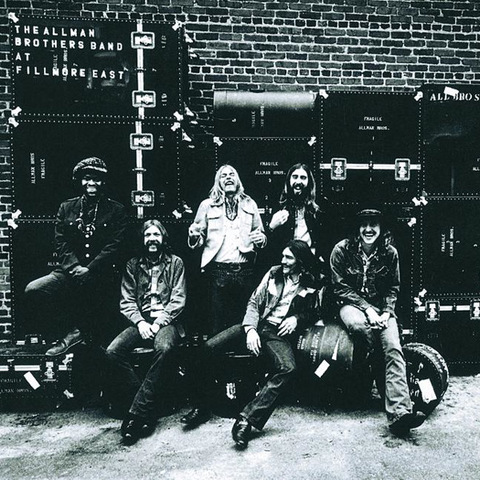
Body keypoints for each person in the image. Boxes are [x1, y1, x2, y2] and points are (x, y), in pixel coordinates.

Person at [181, 239, 325, 448]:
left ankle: (246, 420)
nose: (283, 261)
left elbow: (316, 310)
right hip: (256, 324)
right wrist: (250, 330)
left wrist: (297, 319)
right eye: (283, 256)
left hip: (276, 333)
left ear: (300, 261)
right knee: (208, 348)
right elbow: (254, 302)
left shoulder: (312, 281)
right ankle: (201, 406)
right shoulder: (274, 273)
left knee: (288, 368)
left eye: (288, 258)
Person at [330, 208, 426, 436]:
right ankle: (389, 393)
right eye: (364, 224)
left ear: (381, 228)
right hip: (351, 305)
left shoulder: (390, 253)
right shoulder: (341, 250)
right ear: (357, 228)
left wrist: (387, 312)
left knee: (393, 346)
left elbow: (393, 287)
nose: (368, 229)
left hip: (381, 309)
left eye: (373, 224)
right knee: (359, 326)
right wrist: (367, 309)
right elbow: (340, 287)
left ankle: (400, 414)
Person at [24, 157, 127, 356]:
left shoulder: (116, 210)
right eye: (87, 178)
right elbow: (61, 241)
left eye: (96, 179)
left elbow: (115, 245)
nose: (91, 183)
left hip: (101, 274)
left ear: (103, 182)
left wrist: (90, 269)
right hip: (70, 271)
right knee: (34, 289)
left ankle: (85, 335)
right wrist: (74, 268)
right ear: (80, 181)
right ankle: (68, 333)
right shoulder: (66, 207)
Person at [105, 219, 186, 446]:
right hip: (140, 321)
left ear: (163, 238)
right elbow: (127, 300)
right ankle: (147, 409)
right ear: (142, 240)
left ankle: (135, 415)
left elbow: (178, 300)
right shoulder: (132, 264)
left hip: (167, 322)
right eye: (148, 235)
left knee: (164, 348)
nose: (152, 239)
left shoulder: (176, 263)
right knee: (112, 351)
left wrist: (158, 323)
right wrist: (140, 322)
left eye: (156, 235)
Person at [188, 164, 266, 335]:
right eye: (223, 176)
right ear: (218, 182)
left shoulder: (250, 203)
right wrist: (193, 236)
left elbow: (260, 234)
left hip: (245, 271)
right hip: (218, 272)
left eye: (232, 174)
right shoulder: (207, 205)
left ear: (238, 180)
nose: (228, 177)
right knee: (217, 324)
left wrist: (261, 239)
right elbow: (197, 238)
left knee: (244, 321)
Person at [266, 163, 330, 262]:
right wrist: (272, 227)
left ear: (309, 182)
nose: (298, 181)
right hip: (287, 261)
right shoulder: (279, 205)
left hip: (310, 260)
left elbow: (327, 237)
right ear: (289, 180)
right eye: (295, 177)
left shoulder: (319, 206)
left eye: (303, 178)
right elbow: (271, 243)